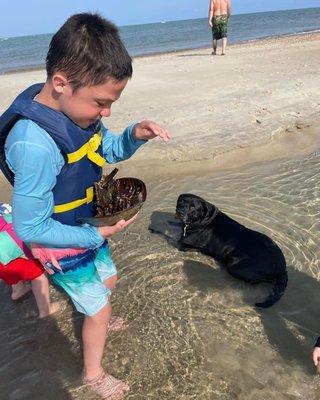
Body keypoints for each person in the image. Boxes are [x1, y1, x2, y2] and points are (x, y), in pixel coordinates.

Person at [0, 13, 171, 400]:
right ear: (61, 83)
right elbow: (29, 227)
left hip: (87, 226)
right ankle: (93, 374)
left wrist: (134, 136)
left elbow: (105, 150)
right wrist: (91, 235)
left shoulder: (78, 114)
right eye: (101, 103)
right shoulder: (35, 144)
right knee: (97, 308)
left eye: (111, 104)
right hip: (59, 238)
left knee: (108, 279)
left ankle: (98, 317)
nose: (105, 113)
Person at [0, 203, 60, 317]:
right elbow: (30, 252)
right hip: (4, 253)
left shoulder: (7, 217)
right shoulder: (20, 225)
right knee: (38, 274)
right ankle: (45, 310)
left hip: (2, 261)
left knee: (10, 270)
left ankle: (18, 290)